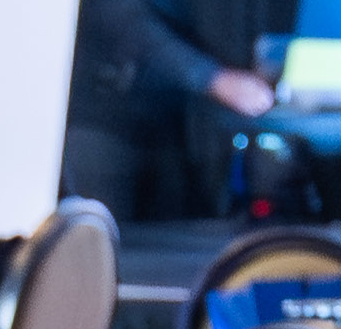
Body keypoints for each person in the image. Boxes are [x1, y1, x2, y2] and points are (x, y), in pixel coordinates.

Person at [61, 0, 279, 217]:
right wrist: (214, 78)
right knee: (101, 228)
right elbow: (126, 24)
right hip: (104, 127)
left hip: (165, 131)